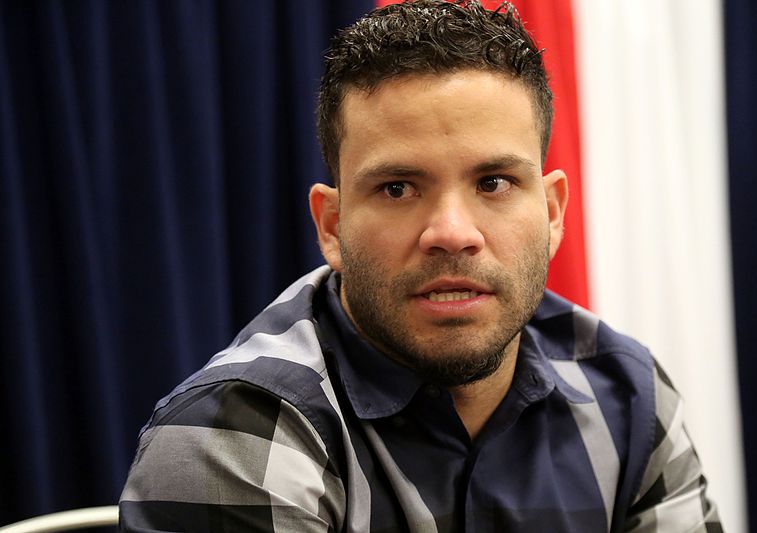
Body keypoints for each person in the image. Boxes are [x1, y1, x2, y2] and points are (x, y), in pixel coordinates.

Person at [119, 1, 722, 531]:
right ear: (331, 226)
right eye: (399, 188)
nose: (453, 234)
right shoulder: (237, 433)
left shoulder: (627, 399)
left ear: (552, 211)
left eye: (494, 181)